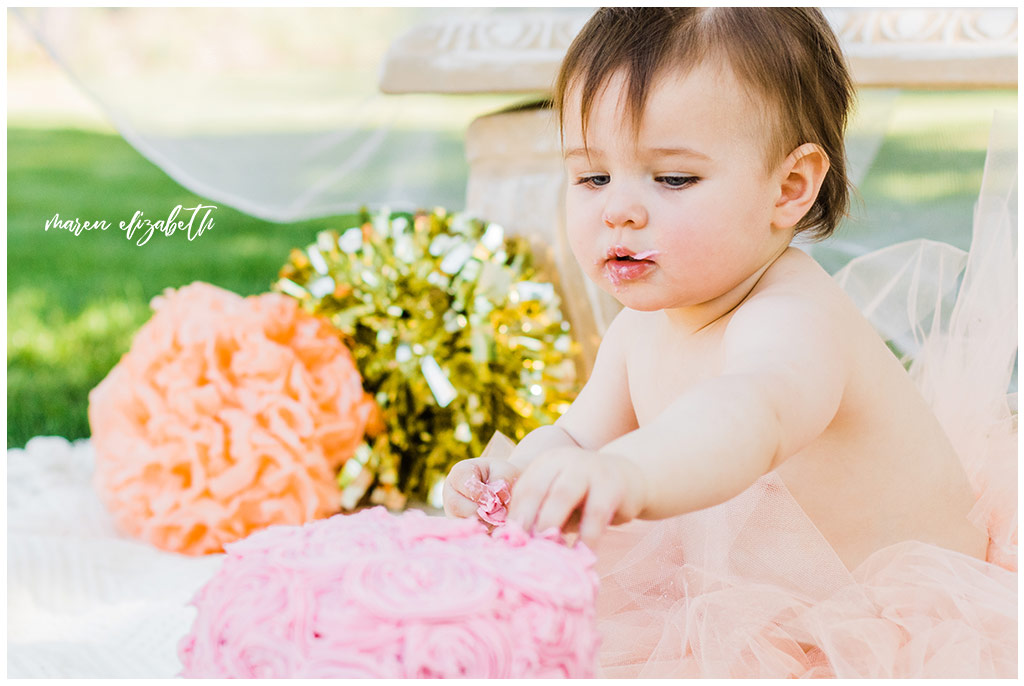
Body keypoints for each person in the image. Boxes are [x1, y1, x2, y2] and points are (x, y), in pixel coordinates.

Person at [444, 7, 1015, 677]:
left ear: (790, 187)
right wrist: (522, 476)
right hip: (766, 613)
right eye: (593, 177)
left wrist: (630, 473)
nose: (619, 208)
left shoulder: (794, 319)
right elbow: (577, 435)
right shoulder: (642, 327)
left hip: (882, 629)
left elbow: (748, 416)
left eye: (674, 178)